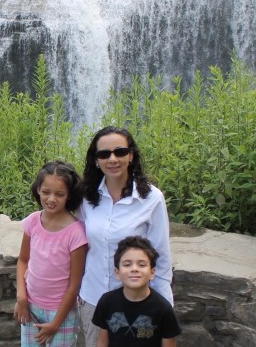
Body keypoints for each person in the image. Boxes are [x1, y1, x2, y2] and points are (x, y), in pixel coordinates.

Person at [76, 126, 173, 347]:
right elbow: (78, 246)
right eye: (104, 154)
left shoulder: (151, 199)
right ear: (96, 160)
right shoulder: (87, 196)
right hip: (94, 298)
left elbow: (161, 256)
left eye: (119, 152)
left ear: (131, 155)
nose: (112, 159)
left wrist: (164, 306)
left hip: (136, 302)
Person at [15, 161, 89, 346]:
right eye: (46, 192)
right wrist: (21, 298)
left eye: (59, 194)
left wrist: (56, 323)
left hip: (61, 314)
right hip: (31, 307)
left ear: (69, 195)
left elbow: (75, 284)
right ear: (38, 189)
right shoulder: (33, 221)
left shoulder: (76, 233)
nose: (51, 199)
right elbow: (23, 260)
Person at [91, 236, 181, 346]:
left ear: (152, 272)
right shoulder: (106, 302)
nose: (134, 269)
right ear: (117, 272)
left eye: (142, 264)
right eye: (127, 264)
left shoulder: (163, 309)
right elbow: (102, 342)